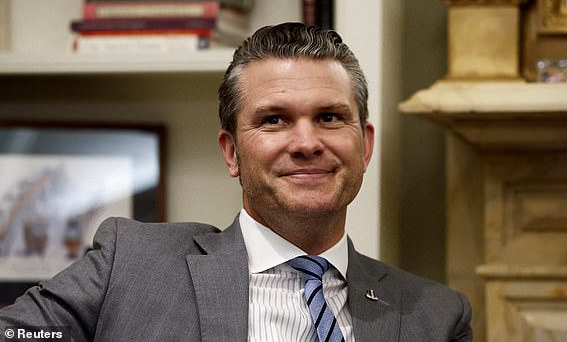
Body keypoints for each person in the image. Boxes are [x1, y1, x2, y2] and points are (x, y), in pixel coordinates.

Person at [0, 22, 472, 341]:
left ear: (364, 145)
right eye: (274, 120)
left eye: (329, 117)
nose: (306, 142)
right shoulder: (131, 266)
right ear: (232, 152)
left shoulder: (436, 315)